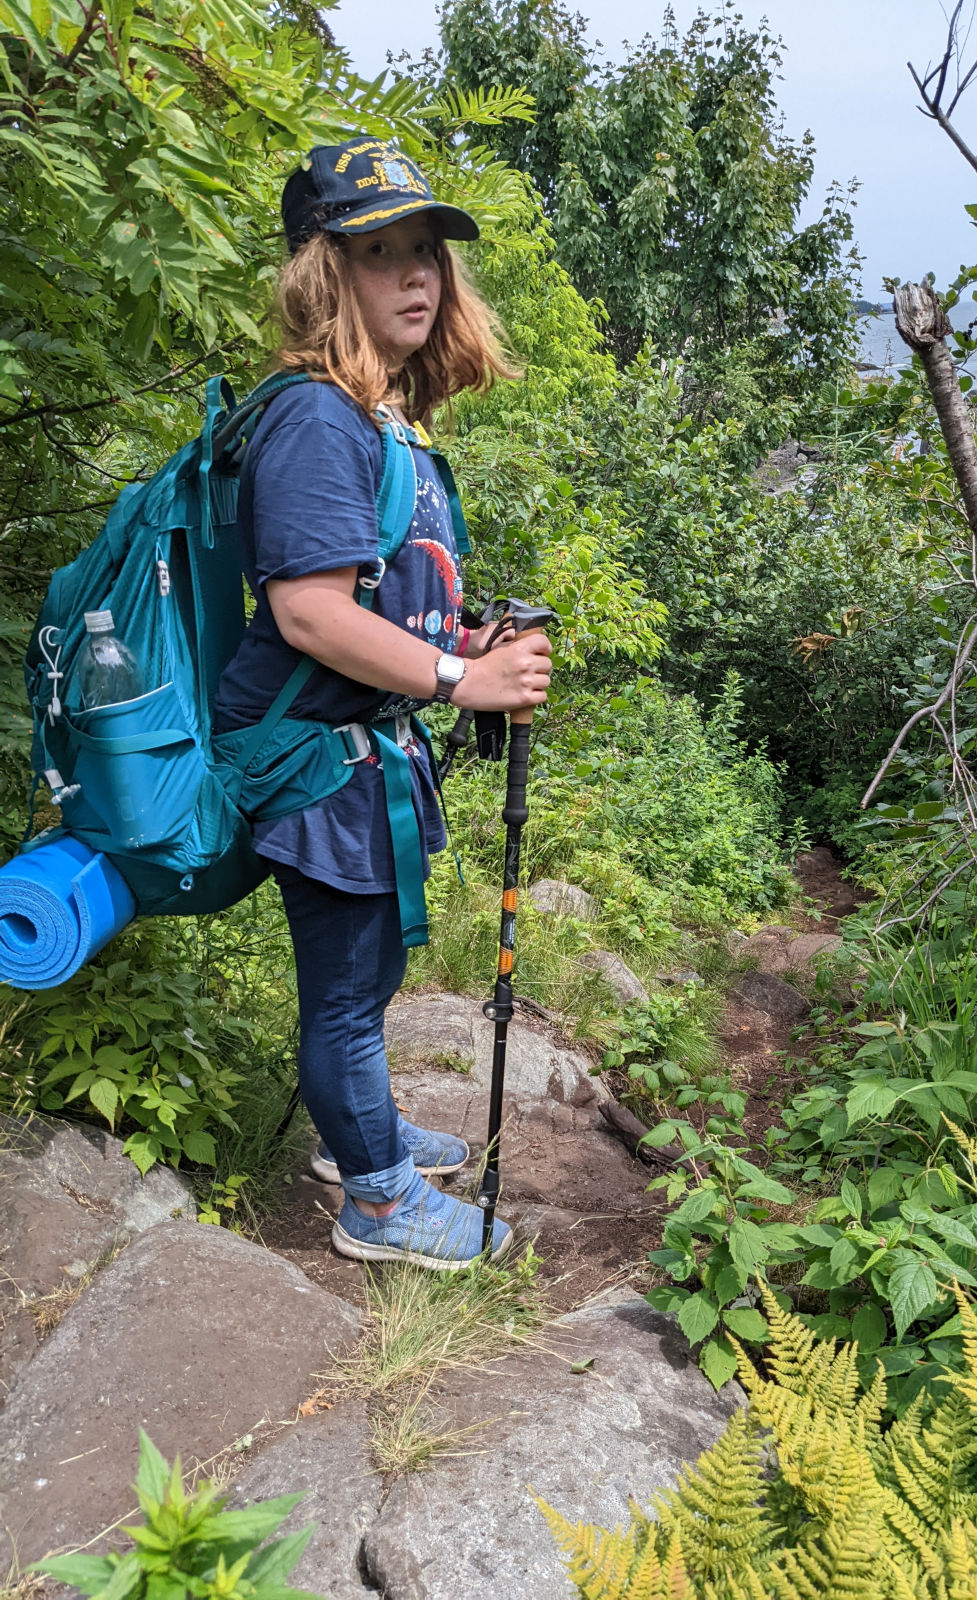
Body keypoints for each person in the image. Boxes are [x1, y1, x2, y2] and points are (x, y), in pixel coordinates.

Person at [213, 137, 551, 1269]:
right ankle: (377, 1198)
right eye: (381, 252)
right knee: (349, 993)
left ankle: (362, 1139)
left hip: (358, 755)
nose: (418, 275)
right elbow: (309, 612)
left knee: (368, 974)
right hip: (318, 763)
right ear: (326, 274)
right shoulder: (317, 419)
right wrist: (463, 680)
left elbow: (380, 609)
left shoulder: (376, 421)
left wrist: (463, 641)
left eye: (427, 252)